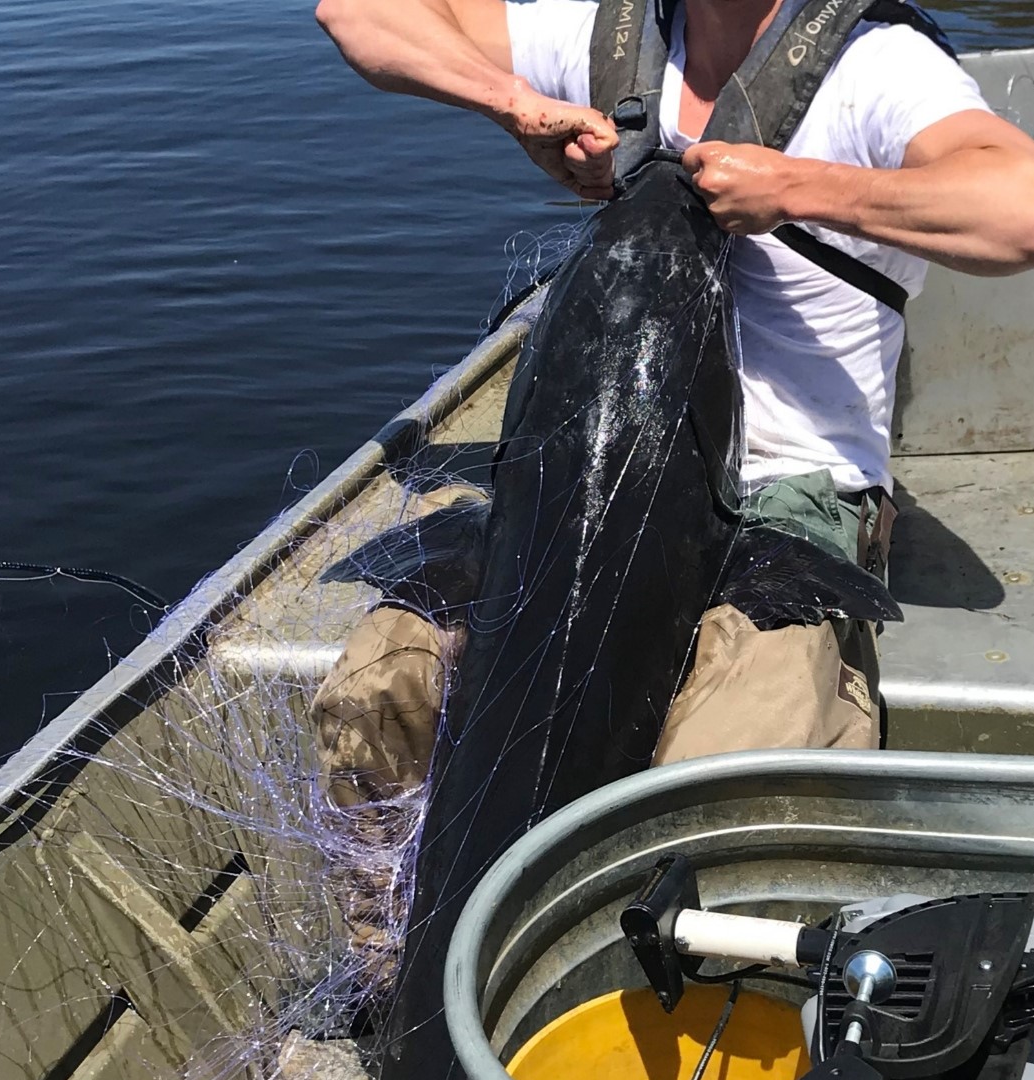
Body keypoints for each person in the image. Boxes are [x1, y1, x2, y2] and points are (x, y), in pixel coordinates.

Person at [309, 0, 1034, 811]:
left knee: (725, 776)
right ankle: (406, 934)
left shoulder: (876, 67)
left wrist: (799, 186)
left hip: (786, 491)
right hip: (590, 457)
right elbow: (359, 13)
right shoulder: (612, 35)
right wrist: (515, 105)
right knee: (378, 694)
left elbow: (1020, 206)